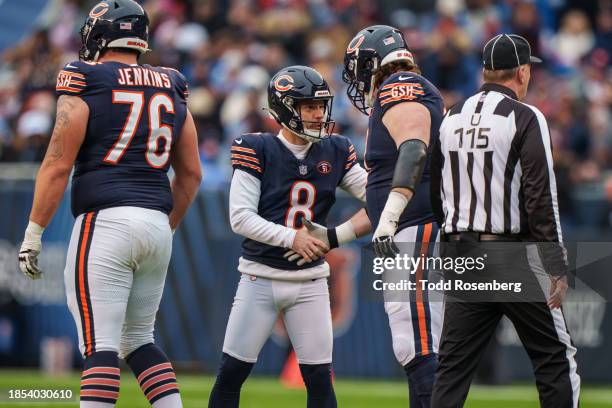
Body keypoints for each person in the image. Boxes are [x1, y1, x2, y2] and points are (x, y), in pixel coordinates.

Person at [17, 1, 202, 406]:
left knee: (99, 345)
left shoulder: (86, 76)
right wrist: (164, 226)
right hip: (156, 220)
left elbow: (57, 162)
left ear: (99, 36)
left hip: (105, 219)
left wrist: (33, 231)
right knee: (139, 340)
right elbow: (191, 174)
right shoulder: (172, 81)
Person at [429, 34, 580, 407]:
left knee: (451, 371)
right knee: (554, 360)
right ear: (523, 72)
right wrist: (555, 264)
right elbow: (541, 196)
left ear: (485, 71)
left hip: (461, 253)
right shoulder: (526, 117)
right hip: (510, 257)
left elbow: (436, 191)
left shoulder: (451, 115)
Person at [208, 65, 371, 408]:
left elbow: (378, 199)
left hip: (311, 280)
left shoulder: (336, 149)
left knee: (320, 383)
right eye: (308, 106)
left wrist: (335, 236)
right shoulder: (257, 147)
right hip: (260, 276)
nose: (317, 114)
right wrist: (291, 238)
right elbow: (240, 218)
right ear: (284, 108)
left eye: (320, 106)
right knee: (231, 375)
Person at [342, 25, 446, 408]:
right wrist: (332, 237)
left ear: (371, 62)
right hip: (417, 225)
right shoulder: (403, 89)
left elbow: (415, 150)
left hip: (417, 228)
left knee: (415, 342)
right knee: (420, 344)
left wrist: (389, 221)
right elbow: (382, 193)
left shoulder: (399, 84)